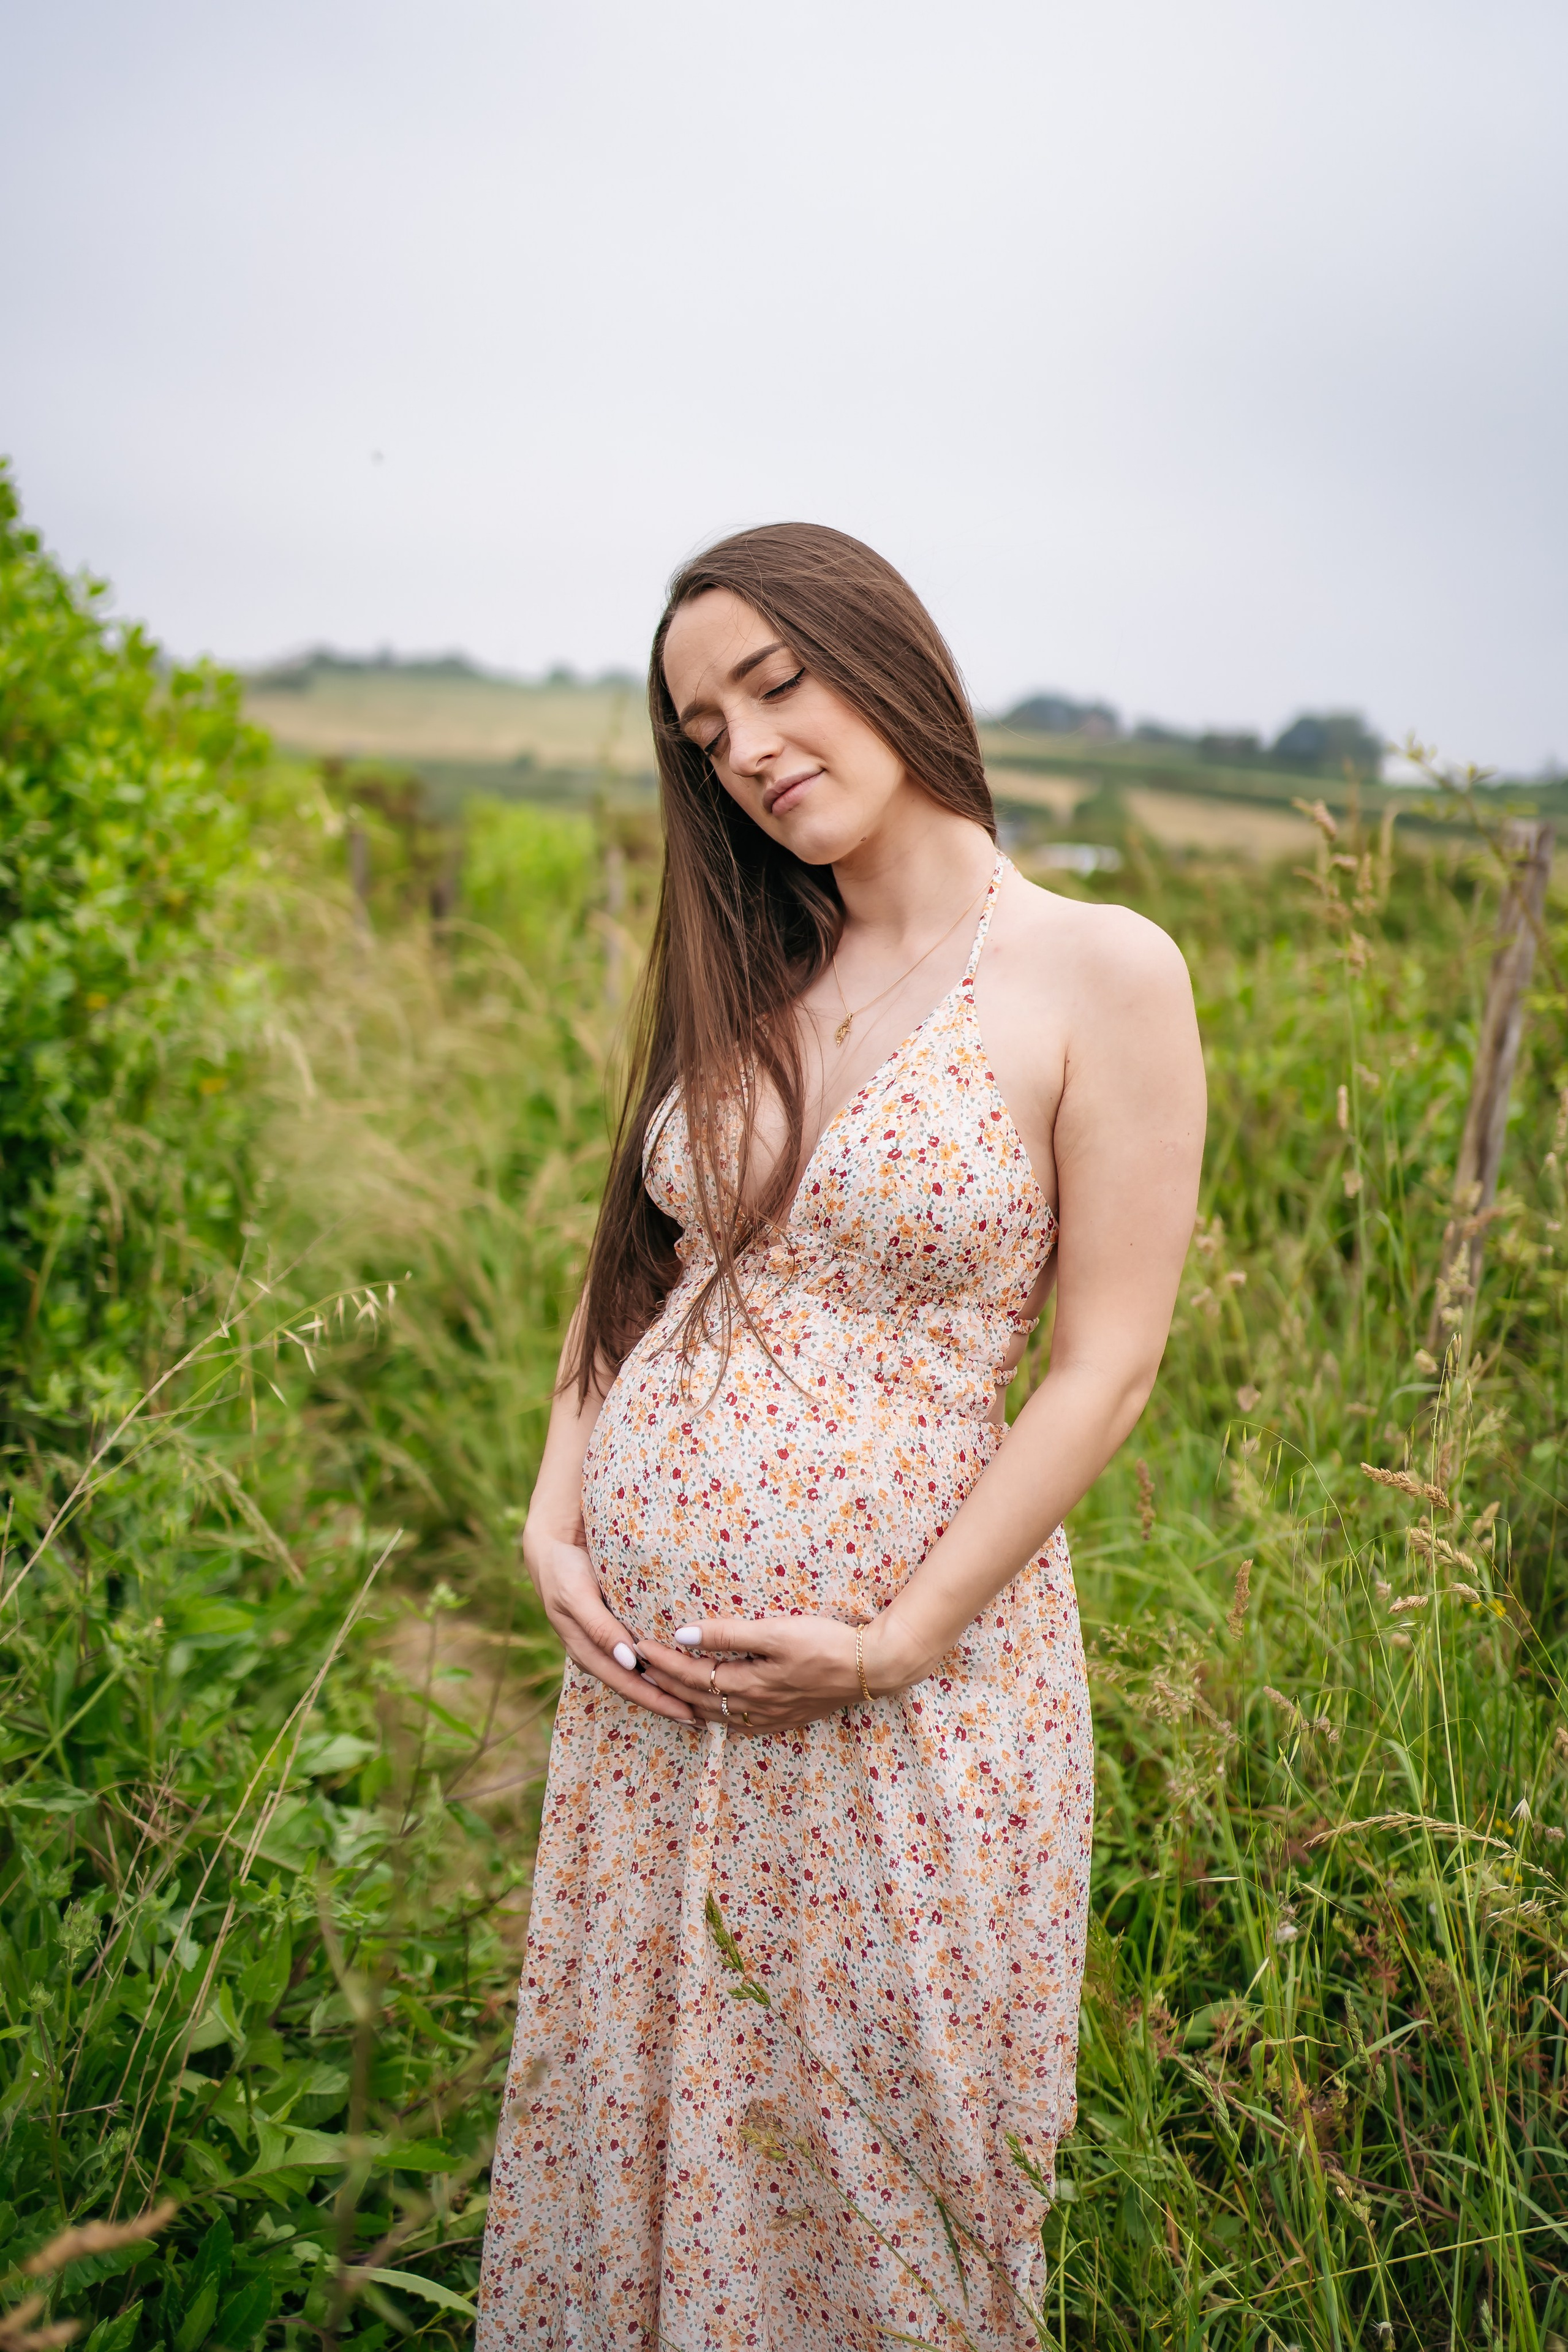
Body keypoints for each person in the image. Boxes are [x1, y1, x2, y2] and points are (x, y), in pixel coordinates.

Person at [478, 524, 1205, 2351]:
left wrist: (903, 1635)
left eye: (775, 685)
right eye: (706, 729)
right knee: (648, 2120)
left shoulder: (1097, 969)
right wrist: (554, 1510)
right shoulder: (752, 961)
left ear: (883, 654)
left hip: (905, 1701)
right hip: (649, 1703)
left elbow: (1104, 1365)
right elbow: (634, 1261)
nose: (750, 747)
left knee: (877, 2157)